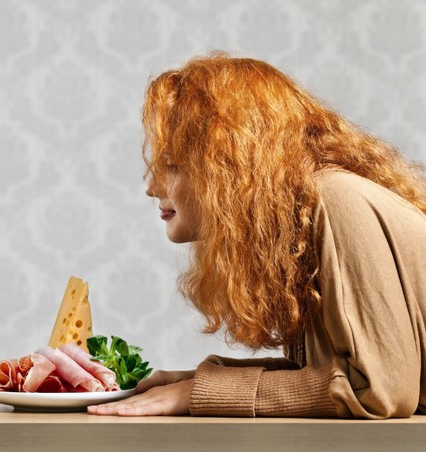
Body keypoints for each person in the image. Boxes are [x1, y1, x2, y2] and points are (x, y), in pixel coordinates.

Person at [88, 54, 426, 418]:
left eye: (171, 165)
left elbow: (380, 389)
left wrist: (202, 392)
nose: (152, 188)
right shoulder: (301, 221)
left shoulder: (338, 199)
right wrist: (199, 381)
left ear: (230, 167)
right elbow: (341, 373)